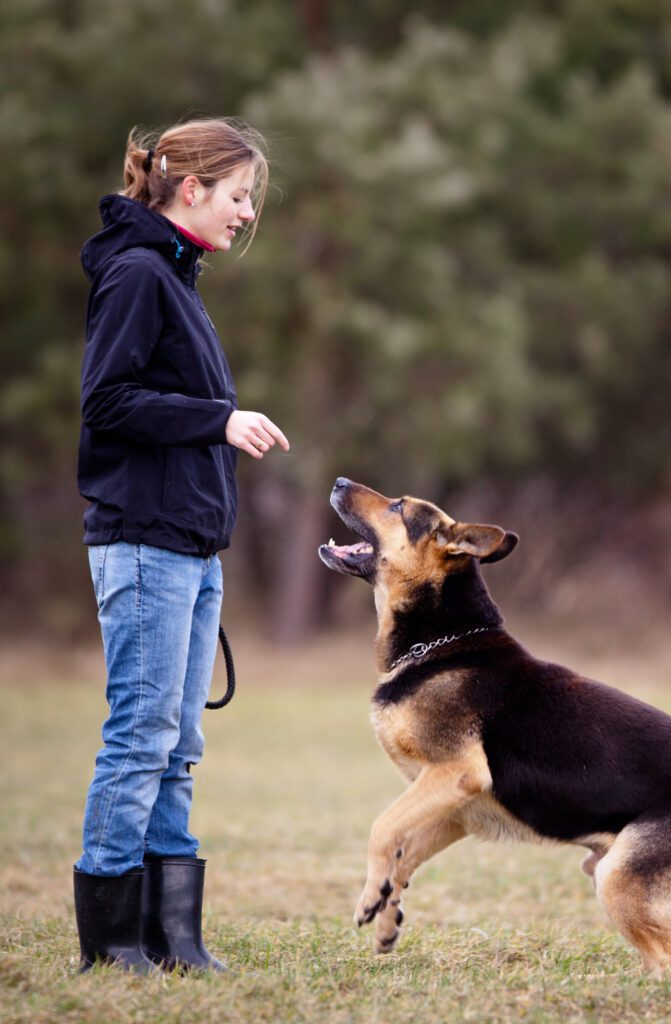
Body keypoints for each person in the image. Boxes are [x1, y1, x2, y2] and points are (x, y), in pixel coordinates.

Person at [74, 118, 289, 974]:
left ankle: (173, 938)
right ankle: (112, 941)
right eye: (239, 196)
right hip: (142, 544)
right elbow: (107, 403)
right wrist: (220, 419)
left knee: (178, 745)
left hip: (189, 548)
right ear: (191, 189)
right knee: (141, 736)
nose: (245, 215)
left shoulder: (175, 278)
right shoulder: (135, 274)